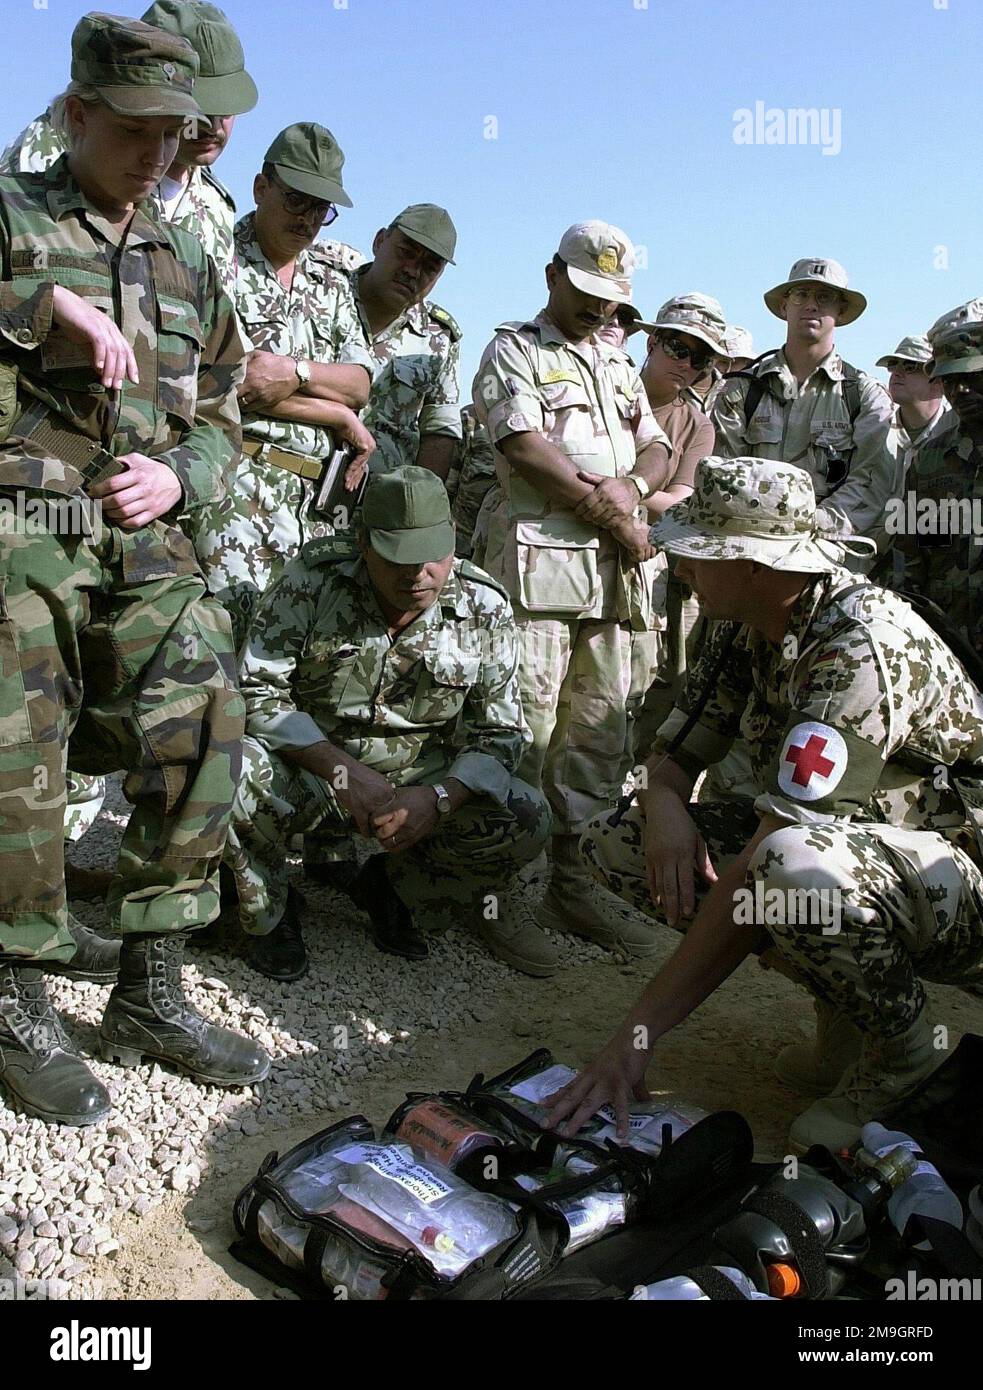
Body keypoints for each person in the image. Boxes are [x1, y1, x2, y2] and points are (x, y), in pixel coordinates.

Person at [544, 456, 983, 1153]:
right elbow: (675, 754)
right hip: (872, 857)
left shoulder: (856, 648)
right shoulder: (743, 620)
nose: (680, 564)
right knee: (617, 842)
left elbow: (764, 857)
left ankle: (905, 1058)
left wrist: (635, 1037)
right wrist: (662, 803)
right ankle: (847, 1016)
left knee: (785, 864)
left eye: (699, 552)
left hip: (962, 883)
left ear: (756, 564)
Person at [0, 12, 268, 1127]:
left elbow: (224, 413)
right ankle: (14, 986)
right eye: (136, 129)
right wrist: (31, 302)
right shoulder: (10, 216)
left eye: (176, 131)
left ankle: (148, 984)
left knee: (207, 702)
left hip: (141, 528)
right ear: (75, 114)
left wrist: (180, 477)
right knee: (17, 696)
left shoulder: (185, 256)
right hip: (24, 514)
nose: (158, 152)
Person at [224, 467, 552, 980]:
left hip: (415, 785)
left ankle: (397, 887)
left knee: (525, 816)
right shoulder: (311, 583)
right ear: (362, 544)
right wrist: (341, 772)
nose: (419, 574)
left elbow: (502, 732)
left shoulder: (483, 605)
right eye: (398, 558)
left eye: (434, 557)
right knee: (229, 769)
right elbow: (256, 690)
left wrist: (442, 798)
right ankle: (268, 911)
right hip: (313, 772)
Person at [472, 221, 674, 961]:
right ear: (551, 274)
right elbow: (524, 448)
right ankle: (499, 895)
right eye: (585, 294)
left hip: (613, 577)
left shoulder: (618, 363)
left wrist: (632, 487)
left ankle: (573, 885)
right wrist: (609, 511)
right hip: (538, 564)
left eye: (609, 301)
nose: (596, 312)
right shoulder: (513, 352)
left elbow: (656, 444)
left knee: (597, 732)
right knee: (524, 729)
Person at [188, 122, 375, 651]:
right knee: (219, 656)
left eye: (323, 209)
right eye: (298, 200)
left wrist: (296, 372)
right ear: (260, 187)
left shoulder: (332, 281)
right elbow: (226, 384)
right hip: (233, 492)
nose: (309, 220)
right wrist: (336, 414)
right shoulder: (210, 258)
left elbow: (360, 382)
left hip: (312, 509)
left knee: (289, 666)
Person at [0, 0, 255, 296]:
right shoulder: (47, 152)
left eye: (226, 110)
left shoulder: (214, 205)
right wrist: (39, 302)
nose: (212, 125)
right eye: (134, 129)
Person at [711, 257, 894, 540]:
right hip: (748, 542)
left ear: (841, 311)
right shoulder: (742, 389)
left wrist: (811, 526)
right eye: (800, 295)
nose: (811, 305)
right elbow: (724, 471)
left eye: (824, 297)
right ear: (784, 306)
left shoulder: (864, 396)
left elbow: (868, 483)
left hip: (825, 546)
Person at [630, 293, 723, 758]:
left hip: (649, 568)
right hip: (573, 554)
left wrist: (622, 488)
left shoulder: (697, 425)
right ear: (651, 341)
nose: (686, 363)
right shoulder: (609, 389)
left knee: (647, 687)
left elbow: (679, 504)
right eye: (676, 347)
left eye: (700, 357)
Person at [891, 300, 983, 661]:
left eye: (972, 377)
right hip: (949, 651)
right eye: (950, 380)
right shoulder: (930, 463)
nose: (959, 392)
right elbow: (911, 561)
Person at [349, 204, 462, 479]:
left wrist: (420, 507)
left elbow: (439, 431)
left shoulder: (440, 338)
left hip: (380, 501)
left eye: (430, 267)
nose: (413, 271)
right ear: (379, 242)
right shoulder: (324, 295)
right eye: (406, 253)